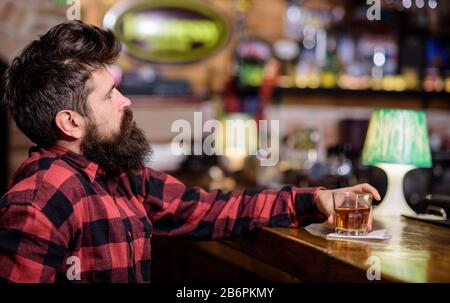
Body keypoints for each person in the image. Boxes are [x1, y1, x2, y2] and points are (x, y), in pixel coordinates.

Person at [0, 21, 380, 283]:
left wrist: (314, 200)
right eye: (109, 94)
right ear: (70, 122)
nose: (125, 100)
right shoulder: (39, 202)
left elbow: (210, 209)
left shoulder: (117, 175)